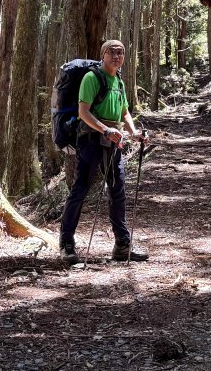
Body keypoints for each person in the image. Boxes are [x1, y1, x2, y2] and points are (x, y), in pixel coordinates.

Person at [59, 39, 148, 264]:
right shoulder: (92, 78)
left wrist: (134, 132)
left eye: (120, 52)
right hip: (91, 140)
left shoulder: (119, 81)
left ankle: (122, 245)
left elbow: (124, 112)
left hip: (114, 142)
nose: (117, 56)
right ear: (103, 55)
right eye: (112, 52)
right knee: (80, 189)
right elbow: (83, 112)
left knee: (118, 191)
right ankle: (66, 244)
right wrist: (105, 129)